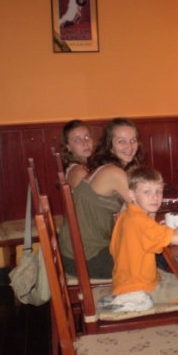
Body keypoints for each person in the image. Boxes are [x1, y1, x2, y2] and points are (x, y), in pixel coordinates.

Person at [109, 166, 178, 355]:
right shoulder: (140, 222)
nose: (155, 197)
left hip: (128, 278)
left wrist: (151, 210)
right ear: (131, 194)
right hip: (138, 288)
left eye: (158, 191)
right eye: (147, 192)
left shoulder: (129, 213)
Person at [58, 117, 145, 279]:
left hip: (82, 247)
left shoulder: (99, 168)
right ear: (110, 146)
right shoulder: (90, 171)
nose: (129, 147)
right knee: (148, 262)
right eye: (121, 141)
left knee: (145, 252)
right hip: (84, 255)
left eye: (133, 140)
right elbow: (143, 208)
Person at [59, 119, 94, 188]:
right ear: (68, 146)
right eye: (77, 140)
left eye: (87, 137)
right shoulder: (78, 172)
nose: (85, 143)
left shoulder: (86, 165)